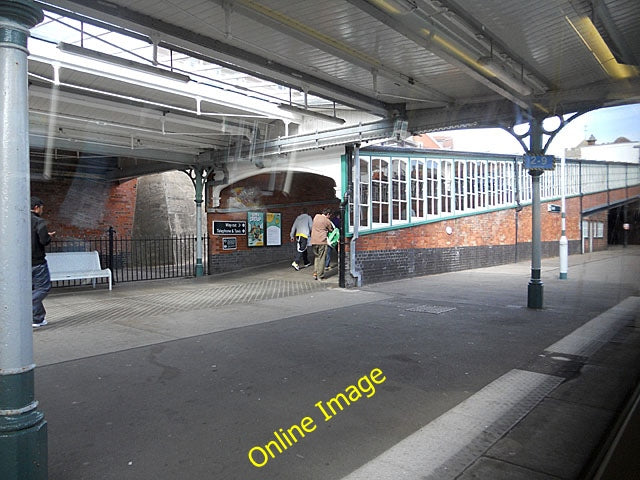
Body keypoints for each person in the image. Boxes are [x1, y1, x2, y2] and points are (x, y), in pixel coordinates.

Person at [31, 196, 55, 327]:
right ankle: (28, 304)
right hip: (38, 262)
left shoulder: (18, 220)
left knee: (33, 289)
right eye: (41, 208)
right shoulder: (39, 222)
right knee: (43, 288)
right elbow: (44, 241)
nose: (42, 211)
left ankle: (38, 318)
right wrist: (48, 236)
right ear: (36, 207)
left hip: (23, 264)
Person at [310, 208, 334, 280]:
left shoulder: (316, 216)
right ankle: (320, 275)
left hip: (314, 241)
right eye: (330, 215)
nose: (330, 217)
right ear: (328, 214)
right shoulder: (327, 220)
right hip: (322, 241)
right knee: (322, 258)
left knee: (317, 257)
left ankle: (315, 273)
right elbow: (331, 229)